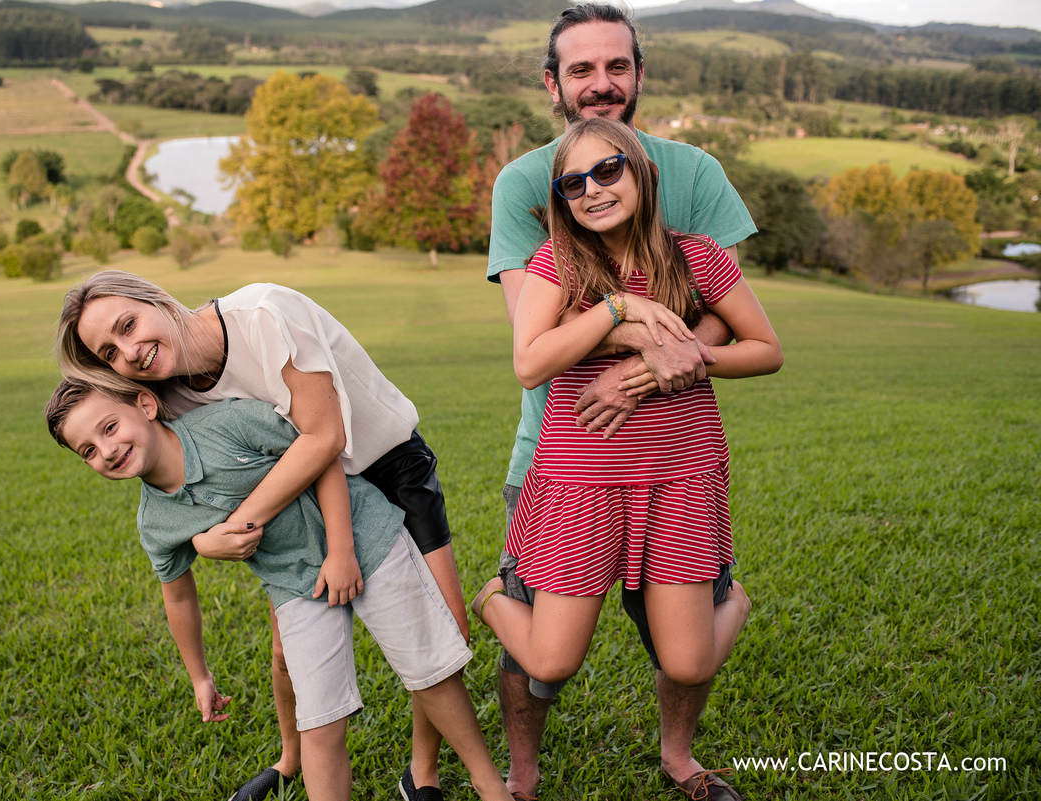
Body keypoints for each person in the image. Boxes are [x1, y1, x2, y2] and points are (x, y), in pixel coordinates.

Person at [486, 5, 760, 800]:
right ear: (553, 83)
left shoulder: (696, 173)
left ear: (640, 74)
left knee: (685, 640)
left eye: (617, 66)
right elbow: (531, 334)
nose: (601, 83)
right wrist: (626, 318)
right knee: (537, 653)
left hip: (673, 448)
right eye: (581, 69)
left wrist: (646, 368)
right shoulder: (524, 183)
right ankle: (523, 772)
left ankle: (680, 758)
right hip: (561, 454)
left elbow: (721, 309)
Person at [56, 274, 465, 801]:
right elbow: (204, 481)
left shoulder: (263, 314)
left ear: (155, 298)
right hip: (300, 501)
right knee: (285, 654)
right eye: (109, 351)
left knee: (447, 628)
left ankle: (422, 773)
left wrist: (233, 529)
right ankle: (289, 760)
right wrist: (202, 541)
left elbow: (324, 439)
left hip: (380, 463)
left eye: (128, 325)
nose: (130, 351)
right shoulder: (164, 394)